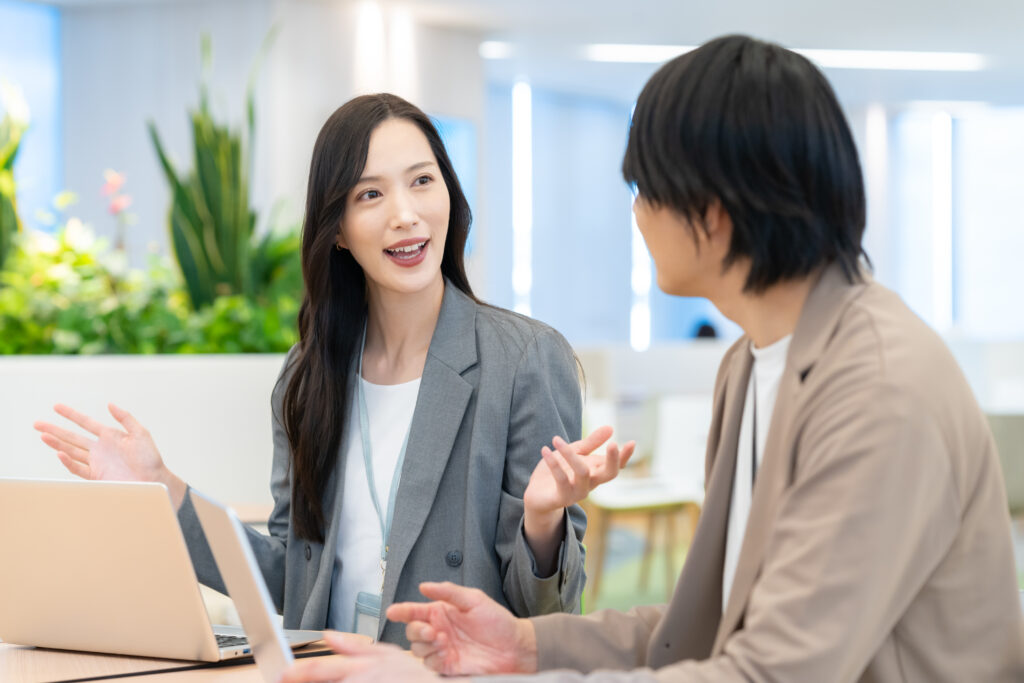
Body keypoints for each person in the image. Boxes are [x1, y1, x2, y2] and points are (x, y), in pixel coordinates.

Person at [278, 36, 1024, 682]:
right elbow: (703, 626)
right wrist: (523, 645)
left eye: (644, 188)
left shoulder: (879, 387)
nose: (634, 213)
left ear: (716, 208)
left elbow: (773, 671)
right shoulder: (752, 363)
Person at [34, 93, 635, 646]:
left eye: (422, 182)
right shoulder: (308, 375)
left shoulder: (524, 359)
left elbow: (550, 618)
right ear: (339, 230)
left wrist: (541, 518)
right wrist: (164, 489)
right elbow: (292, 581)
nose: (405, 214)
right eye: (370, 194)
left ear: (450, 194)